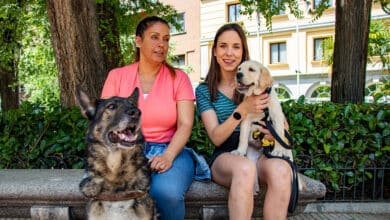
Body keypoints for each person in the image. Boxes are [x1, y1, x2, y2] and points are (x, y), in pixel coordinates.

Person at [101, 16, 209, 220]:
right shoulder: (117, 76)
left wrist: (168, 156)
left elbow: (185, 124)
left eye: (166, 39)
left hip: (171, 150)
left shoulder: (179, 78)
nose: (162, 44)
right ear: (138, 41)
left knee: (166, 192)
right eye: (155, 37)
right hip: (125, 151)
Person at [195, 23, 292, 220]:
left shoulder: (257, 80)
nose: (229, 53)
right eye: (223, 46)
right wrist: (242, 110)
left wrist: (271, 133)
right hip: (227, 154)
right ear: (214, 51)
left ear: (243, 51)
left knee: (282, 170)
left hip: (260, 148)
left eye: (236, 47)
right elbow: (216, 137)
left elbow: (282, 123)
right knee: (244, 167)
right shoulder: (204, 91)